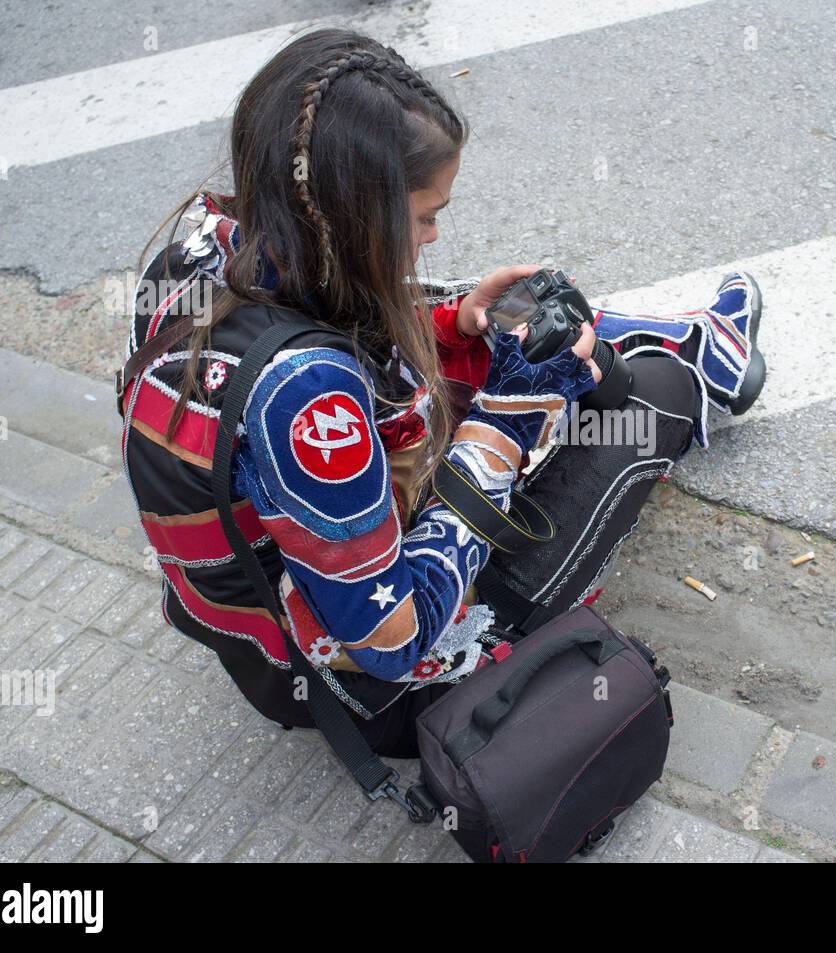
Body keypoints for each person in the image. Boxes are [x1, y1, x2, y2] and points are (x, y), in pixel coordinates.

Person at [118, 27, 766, 759]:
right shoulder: (311, 401)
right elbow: (395, 637)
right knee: (651, 396)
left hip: (260, 624)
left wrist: (453, 328)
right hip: (367, 689)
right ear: (346, 218)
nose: (430, 234)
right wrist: (506, 422)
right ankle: (696, 360)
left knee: (475, 318)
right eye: (425, 217)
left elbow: (330, 345)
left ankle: (687, 339)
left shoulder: (200, 249)